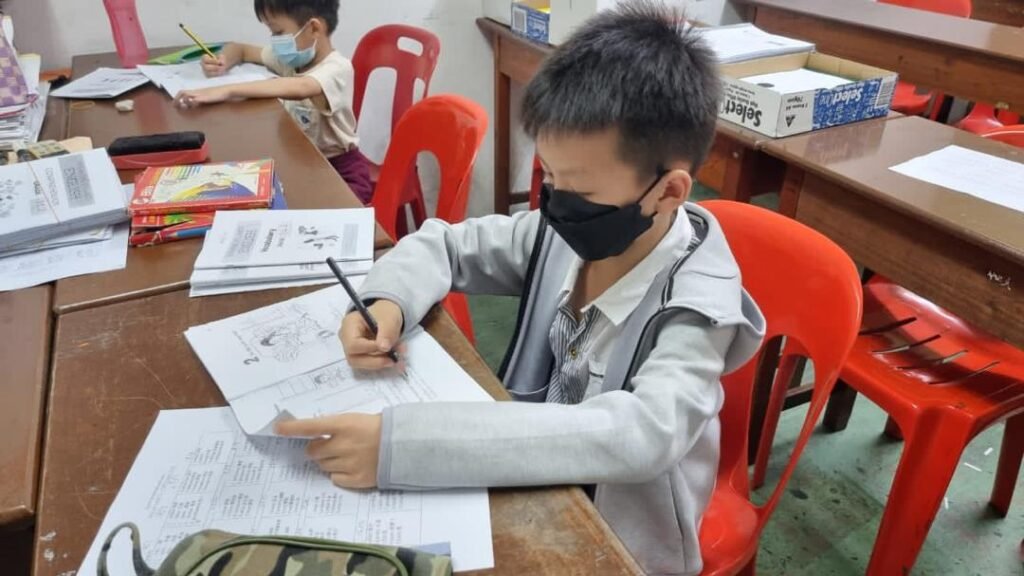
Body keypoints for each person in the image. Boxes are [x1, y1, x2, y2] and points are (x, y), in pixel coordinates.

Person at [277, 2, 766, 574]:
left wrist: (401, 447)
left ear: (668, 191)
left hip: (619, 535)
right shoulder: (568, 232)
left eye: (575, 186)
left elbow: (640, 436)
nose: (554, 202)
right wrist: (388, 299)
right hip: (530, 473)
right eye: (548, 177)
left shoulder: (696, 309)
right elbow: (445, 244)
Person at [174, 0, 373, 203]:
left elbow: (301, 88)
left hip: (339, 172)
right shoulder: (293, 61)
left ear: (313, 28)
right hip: (300, 163)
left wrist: (225, 91)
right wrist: (223, 60)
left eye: (278, 32)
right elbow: (240, 49)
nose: (274, 40)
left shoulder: (337, 68)